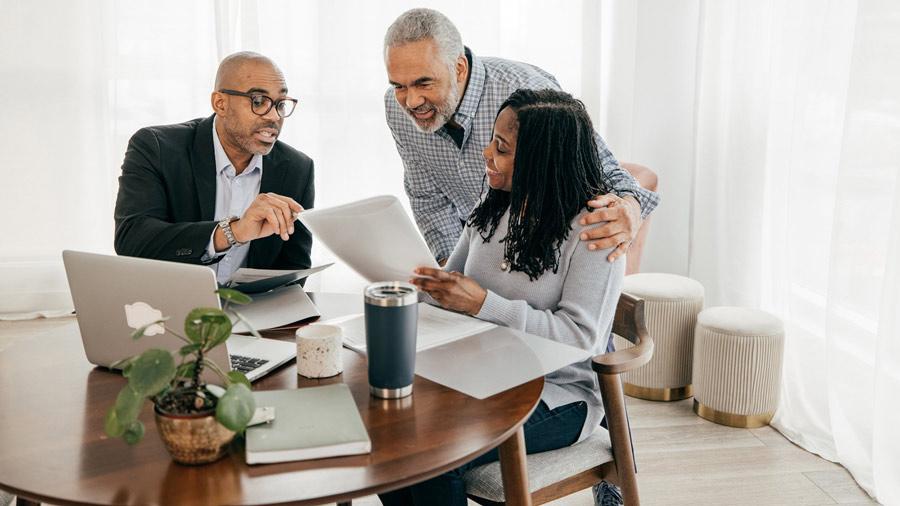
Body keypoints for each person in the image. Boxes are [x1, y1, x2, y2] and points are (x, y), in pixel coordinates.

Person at [379, 89, 626, 506]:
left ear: (541, 160)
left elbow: (581, 336)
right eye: (492, 139)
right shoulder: (494, 206)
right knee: (391, 431)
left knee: (432, 452)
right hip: (479, 376)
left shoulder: (594, 233)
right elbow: (448, 284)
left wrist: (482, 304)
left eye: (502, 147)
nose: (485, 153)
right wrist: (407, 280)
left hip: (557, 395)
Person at [383, 8, 659, 268]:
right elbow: (429, 199)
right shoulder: (397, 109)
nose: (411, 100)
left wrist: (632, 207)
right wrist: (454, 274)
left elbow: (602, 169)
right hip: (481, 254)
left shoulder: (526, 91)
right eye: (399, 86)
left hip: (548, 254)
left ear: (458, 68)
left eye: (424, 83)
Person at [114, 51, 314, 284]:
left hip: (251, 314)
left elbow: (293, 269)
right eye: (258, 101)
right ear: (220, 103)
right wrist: (234, 232)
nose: (274, 116)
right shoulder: (157, 148)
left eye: (280, 104)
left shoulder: (297, 168)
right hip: (168, 308)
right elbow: (132, 241)